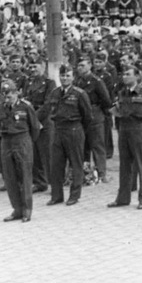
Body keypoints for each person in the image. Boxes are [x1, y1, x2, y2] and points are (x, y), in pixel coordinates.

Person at [108, 66, 142, 210]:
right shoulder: (122, 92)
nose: (124, 77)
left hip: (139, 129)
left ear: (137, 76)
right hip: (124, 130)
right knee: (124, 165)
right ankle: (123, 198)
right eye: (123, 74)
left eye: (128, 74)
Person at [44, 64, 92, 206]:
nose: (64, 78)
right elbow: (49, 110)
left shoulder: (79, 93)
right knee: (56, 164)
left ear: (73, 77)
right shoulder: (55, 93)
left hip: (74, 130)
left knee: (75, 164)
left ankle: (74, 195)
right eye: (62, 76)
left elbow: (88, 116)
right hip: (58, 130)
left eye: (67, 76)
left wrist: (79, 130)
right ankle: (56, 196)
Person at [0, 80, 40, 222]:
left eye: (9, 96)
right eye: (4, 96)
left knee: (25, 176)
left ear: (16, 93)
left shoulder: (26, 107)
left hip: (22, 140)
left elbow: (35, 128)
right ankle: (17, 209)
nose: (7, 100)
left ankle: (27, 209)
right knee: (9, 177)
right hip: (6, 141)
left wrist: (27, 142)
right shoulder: (0, 107)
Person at [75, 56, 113, 182]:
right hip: (81, 115)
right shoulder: (77, 81)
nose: (80, 68)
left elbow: (106, 100)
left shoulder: (96, 81)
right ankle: (86, 173)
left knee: (97, 144)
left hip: (94, 113)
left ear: (90, 66)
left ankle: (101, 173)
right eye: (79, 66)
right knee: (83, 145)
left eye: (83, 65)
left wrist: (97, 110)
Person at [23, 61, 56, 193]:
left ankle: (54, 185)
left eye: (35, 66)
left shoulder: (49, 83)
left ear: (43, 68)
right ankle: (39, 182)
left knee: (47, 154)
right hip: (32, 121)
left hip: (44, 121)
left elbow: (48, 104)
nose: (32, 69)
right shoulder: (29, 82)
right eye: (30, 67)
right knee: (34, 154)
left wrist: (35, 118)